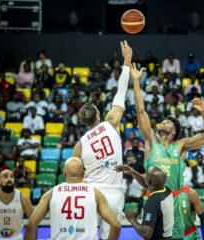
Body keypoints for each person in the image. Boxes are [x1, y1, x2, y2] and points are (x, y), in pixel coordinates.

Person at [116, 63, 204, 240]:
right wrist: (136, 81)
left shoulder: (181, 145)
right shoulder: (151, 142)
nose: (162, 122)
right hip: (153, 199)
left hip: (174, 201)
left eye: (167, 122)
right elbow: (140, 110)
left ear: (174, 131)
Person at [72, 40, 132, 239]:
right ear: (98, 116)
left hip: (90, 192)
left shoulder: (79, 145)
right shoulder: (110, 122)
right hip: (113, 193)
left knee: (87, 236)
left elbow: (73, 177)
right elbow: (121, 90)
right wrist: (127, 59)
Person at [24, 157, 121, 240]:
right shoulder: (95, 193)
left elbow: (31, 225)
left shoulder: (50, 193)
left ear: (64, 173)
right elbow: (116, 226)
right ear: (83, 174)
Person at [125, 166, 174, 240]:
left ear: (149, 181)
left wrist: (132, 219)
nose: (144, 176)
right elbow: (149, 185)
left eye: (146, 175)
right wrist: (133, 172)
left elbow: (146, 234)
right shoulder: (167, 190)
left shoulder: (152, 202)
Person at [0, 169, 34, 239]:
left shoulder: (23, 198)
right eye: (5, 176)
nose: (9, 179)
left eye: (12, 176)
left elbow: (33, 221)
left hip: (16, 237)